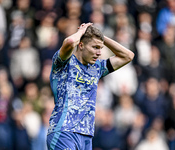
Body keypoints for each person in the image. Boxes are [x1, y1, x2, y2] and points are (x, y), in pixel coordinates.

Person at [46, 22, 134, 150]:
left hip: (86, 136)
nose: (99, 53)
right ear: (81, 45)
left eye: (100, 48)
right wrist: (82, 32)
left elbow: (128, 56)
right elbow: (70, 41)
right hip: (63, 132)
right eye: (95, 47)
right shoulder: (64, 62)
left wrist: (102, 38)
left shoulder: (97, 68)